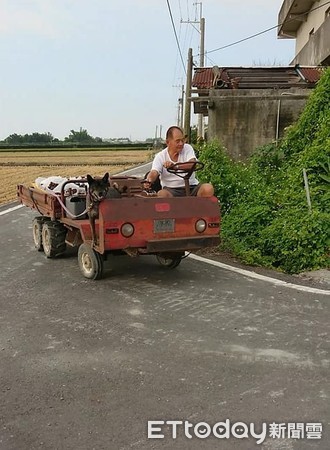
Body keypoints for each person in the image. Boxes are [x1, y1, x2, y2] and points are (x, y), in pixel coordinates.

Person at [144, 126, 214, 198]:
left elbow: (192, 164)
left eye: (182, 140)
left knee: (208, 189)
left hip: (192, 187)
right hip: (171, 190)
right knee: (162, 195)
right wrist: (149, 180)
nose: (181, 144)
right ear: (168, 142)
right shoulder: (160, 156)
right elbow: (154, 172)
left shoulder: (187, 148)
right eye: (177, 141)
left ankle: (199, 208)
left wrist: (174, 166)